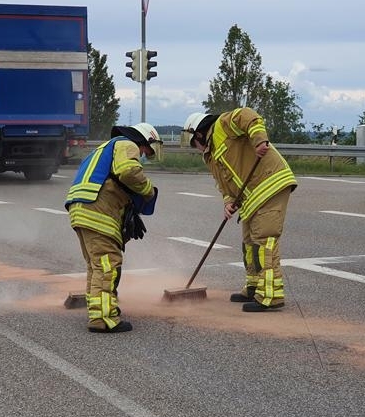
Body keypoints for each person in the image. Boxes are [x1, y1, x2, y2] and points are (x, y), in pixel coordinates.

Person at [183, 108, 297, 312]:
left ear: (199, 133)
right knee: (249, 242)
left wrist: (259, 141)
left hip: (270, 182)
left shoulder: (223, 125)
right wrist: (228, 201)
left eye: (194, 143)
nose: (195, 148)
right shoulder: (209, 156)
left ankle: (270, 295)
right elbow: (223, 182)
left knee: (264, 240)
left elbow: (249, 116)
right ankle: (254, 286)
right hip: (251, 197)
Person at [65, 123, 162, 333]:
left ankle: (96, 311)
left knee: (96, 265)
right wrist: (147, 191)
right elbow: (127, 172)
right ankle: (105, 318)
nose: (144, 155)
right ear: (143, 141)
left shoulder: (104, 148)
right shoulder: (128, 144)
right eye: (147, 150)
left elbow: (112, 181)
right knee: (108, 264)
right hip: (97, 210)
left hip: (80, 209)